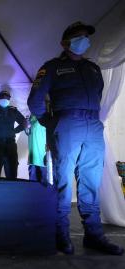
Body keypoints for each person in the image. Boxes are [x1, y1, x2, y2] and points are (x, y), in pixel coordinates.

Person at [27, 21, 124, 255]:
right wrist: (49, 122)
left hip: (93, 124)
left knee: (91, 181)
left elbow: (98, 94)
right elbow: (35, 101)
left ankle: (93, 236)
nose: (84, 40)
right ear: (65, 42)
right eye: (78, 36)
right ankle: (61, 236)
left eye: (86, 36)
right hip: (67, 123)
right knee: (63, 181)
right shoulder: (51, 67)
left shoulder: (93, 69)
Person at [27, 115, 47, 182]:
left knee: (43, 185)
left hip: (43, 158)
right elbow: (27, 131)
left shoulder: (47, 116)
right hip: (33, 158)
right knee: (33, 185)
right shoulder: (30, 118)